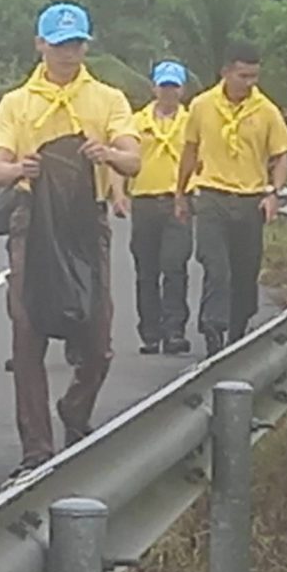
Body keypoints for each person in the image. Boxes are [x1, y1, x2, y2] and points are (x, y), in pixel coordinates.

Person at [0, 1, 141, 483]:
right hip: (32, 220)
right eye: (59, 45)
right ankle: (36, 448)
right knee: (27, 330)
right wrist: (21, 167)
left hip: (84, 220)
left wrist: (106, 153)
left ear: (85, 46)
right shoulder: (17, 102)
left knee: (97, 335)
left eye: (75, 44)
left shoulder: (108, 98)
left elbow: (134, 160)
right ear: (40, 45)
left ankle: (76, 407)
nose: (68, 53)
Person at [174, 41, 287, 355]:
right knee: (216, 267)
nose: (249, 83)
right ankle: (212, 328)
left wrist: (274, 192)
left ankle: (238, 332)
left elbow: (281, 155)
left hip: (250, 200)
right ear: (226, 72)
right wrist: (180, 194)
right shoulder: (202, 105)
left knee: (245, 271)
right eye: (243, 76)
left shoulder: (266, 110)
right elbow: (190, 150)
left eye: (254, 76)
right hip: (211, 196)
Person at [110, 60, 195, 356]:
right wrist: (118, 193)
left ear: (182, 90)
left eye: (174, 87)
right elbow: (119, 158)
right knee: (146, 270)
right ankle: (150, 333)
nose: (169, 92)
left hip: (178, 201)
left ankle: (174, 331)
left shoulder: (192, 122)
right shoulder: (135, 122)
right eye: (164, 86)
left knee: (175, 265)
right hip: (144, 201)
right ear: (154, 88)